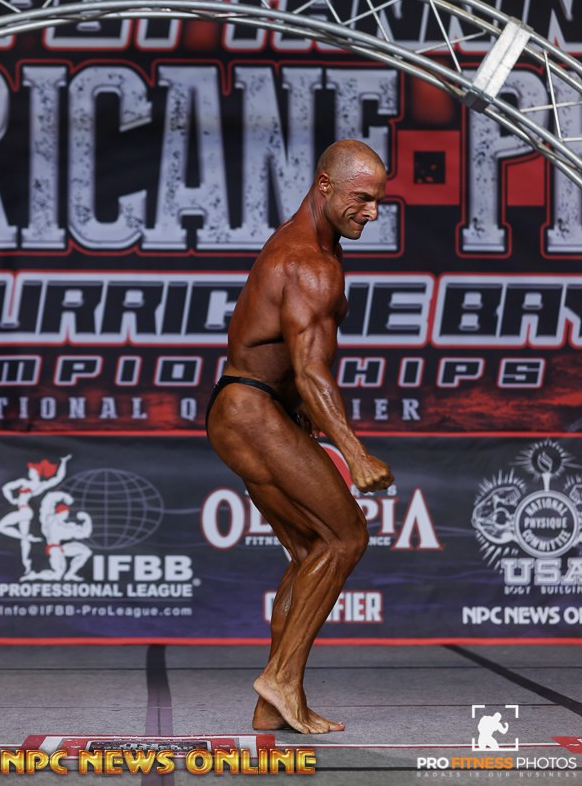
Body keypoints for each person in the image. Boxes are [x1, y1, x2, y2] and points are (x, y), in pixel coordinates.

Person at [206, 139, 394, 735]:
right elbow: (311, 370)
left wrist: (297, 409)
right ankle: (280, 679)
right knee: (346, 536)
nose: (372, 212)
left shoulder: (310, 246)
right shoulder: (309, 263)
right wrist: (355, 454)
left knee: (313, 550)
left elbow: (286, 359)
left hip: (249, 407)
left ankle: (274, 702)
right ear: (325, 185)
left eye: (379, 201)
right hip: (251, 411)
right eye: (362, 198)